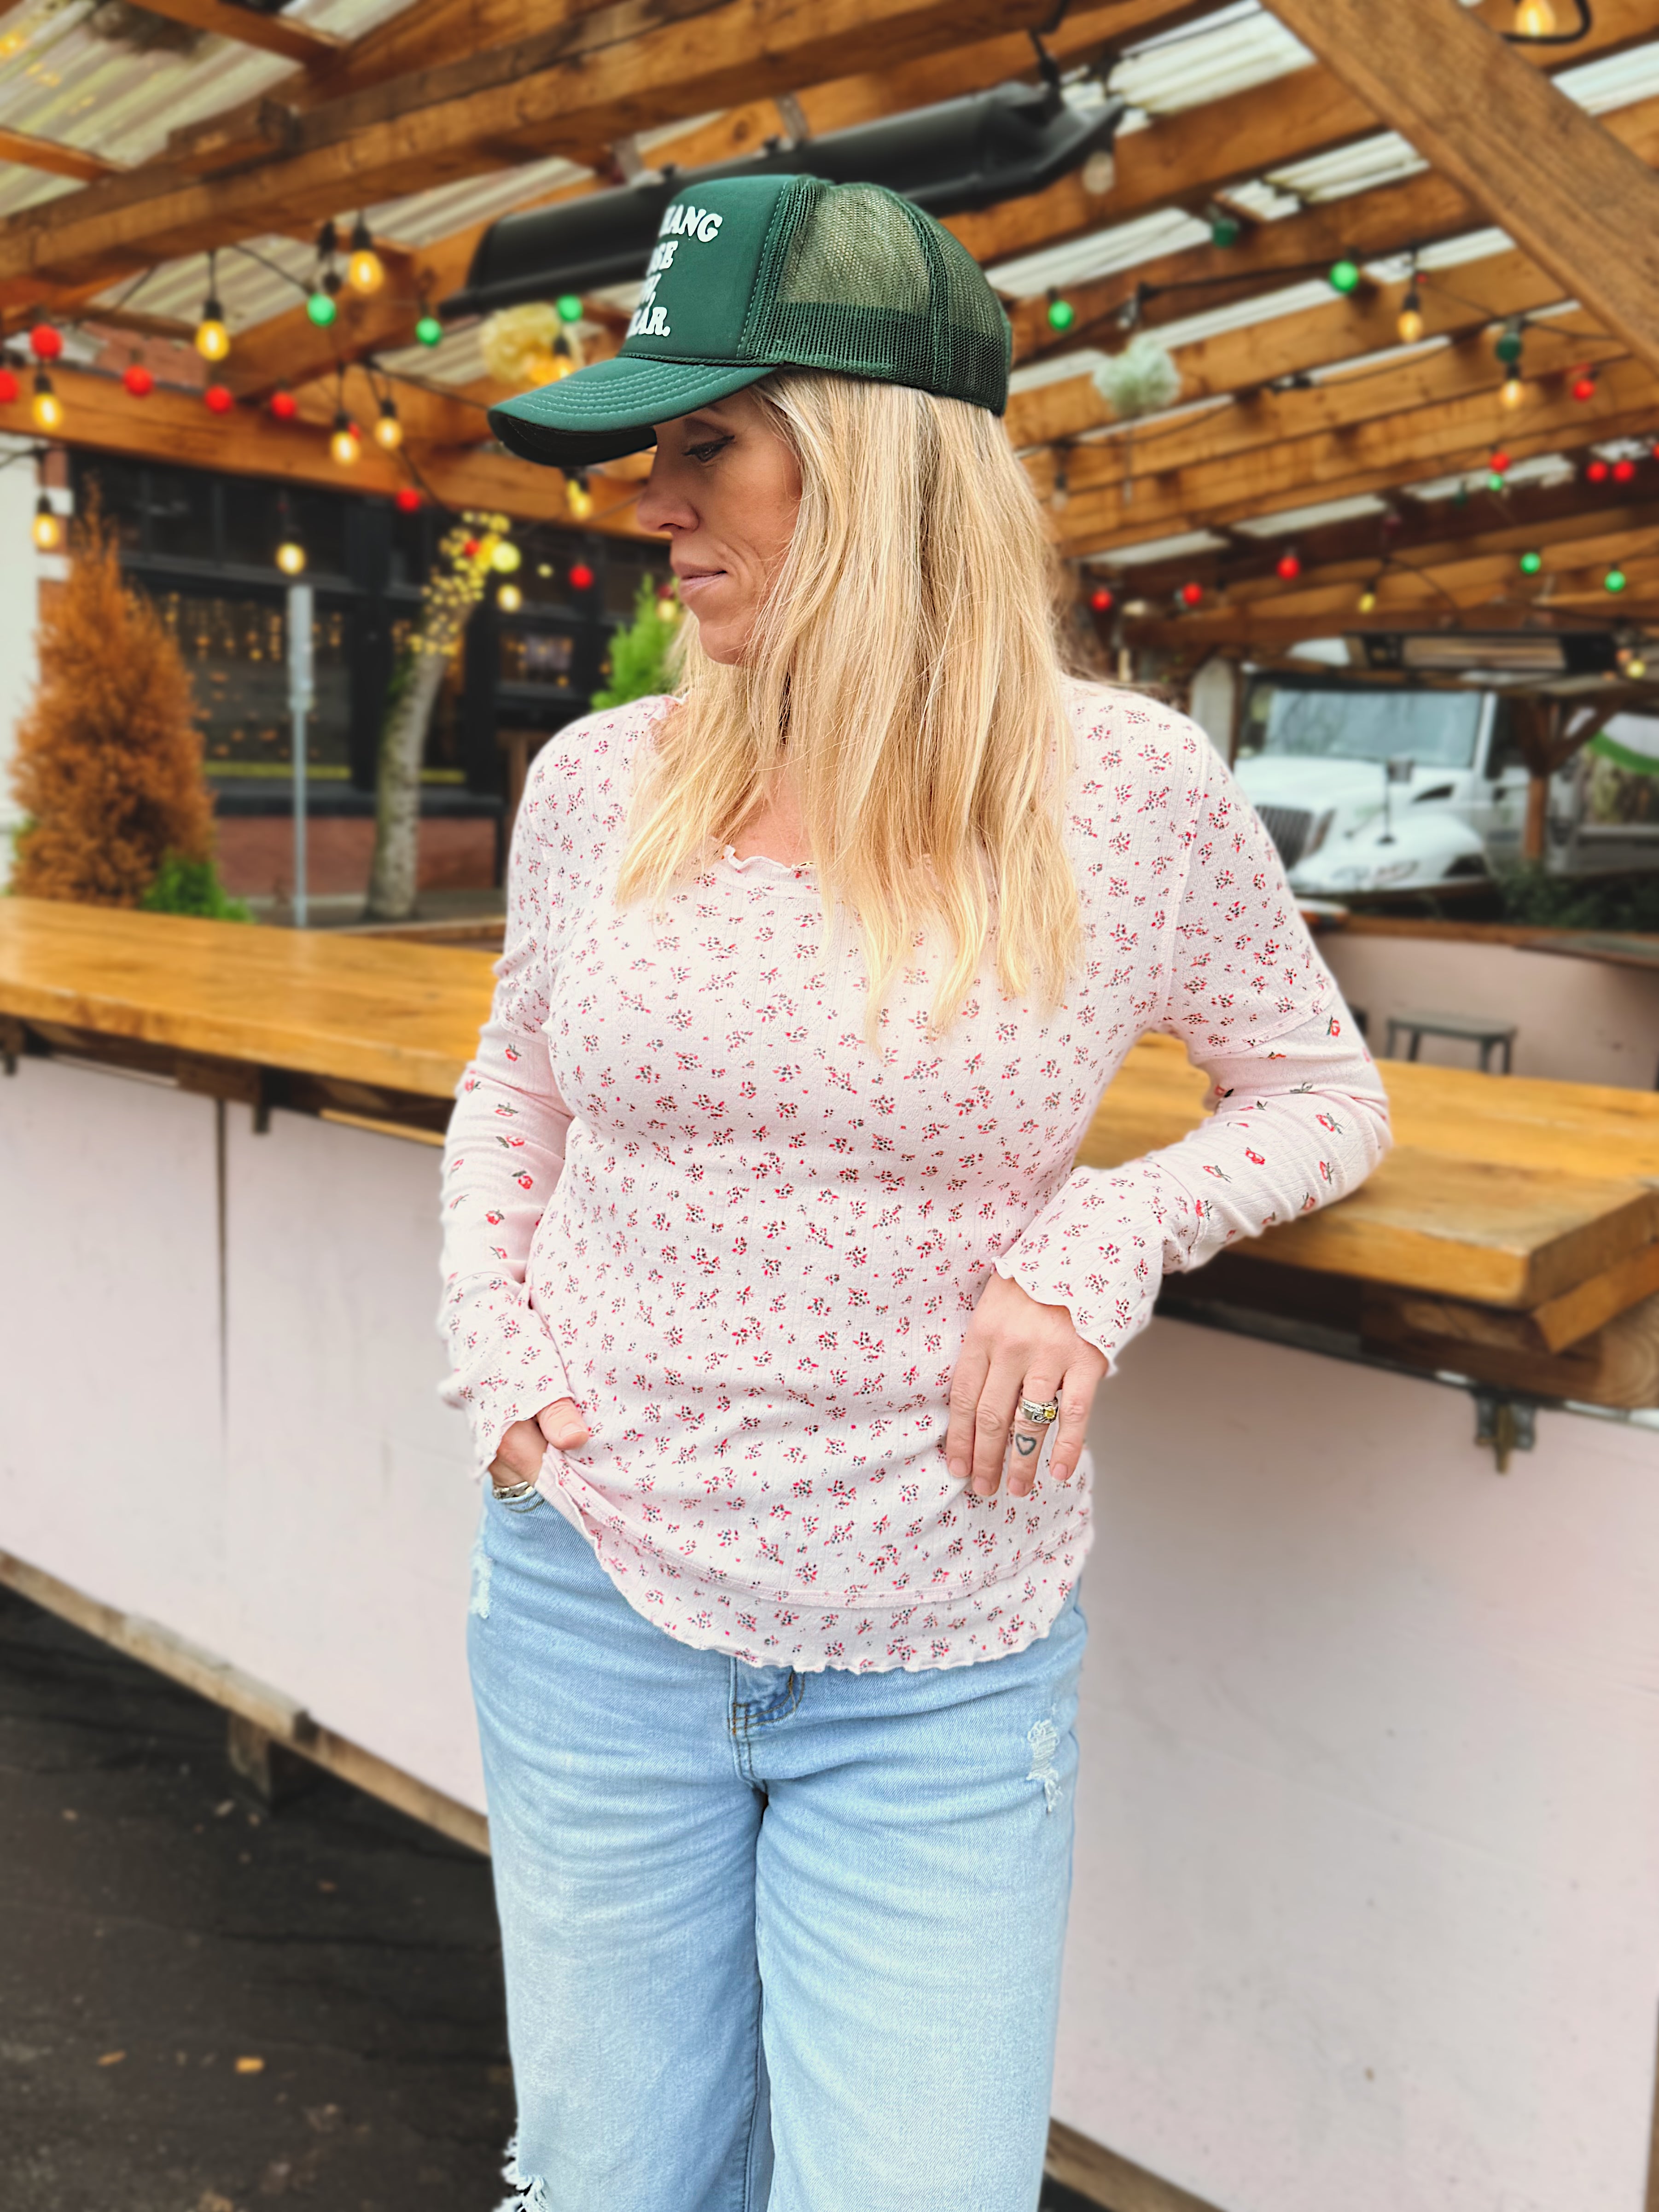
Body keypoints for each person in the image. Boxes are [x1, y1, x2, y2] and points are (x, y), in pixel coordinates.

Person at [441, 173, 1390, 2212]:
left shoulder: (1124, 792)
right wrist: (493, 1362)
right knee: (612, 2183)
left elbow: (1320, 1092)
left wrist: (1099, 1236)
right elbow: (513, 1079)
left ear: (873, 466)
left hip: (940, 1643)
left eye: (708, 444)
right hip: (595, 1588)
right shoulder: (601, 780)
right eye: (651, 452)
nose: (650, 502)